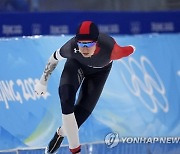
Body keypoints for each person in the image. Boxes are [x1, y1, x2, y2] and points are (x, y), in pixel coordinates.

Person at [34, 20, 135, 154]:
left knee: (77, 120)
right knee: (66, 98)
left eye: (89, 44)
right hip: (76, 65)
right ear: (77, 42)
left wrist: (133, 48)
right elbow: (54, 58)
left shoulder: (112, 51)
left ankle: (60, 133)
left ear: (97, 43)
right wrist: (43, 81)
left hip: (99, 73)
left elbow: (130, 49)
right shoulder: (70, 47)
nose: (85, 49)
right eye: (81, 44)